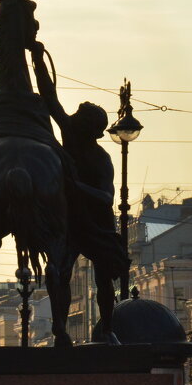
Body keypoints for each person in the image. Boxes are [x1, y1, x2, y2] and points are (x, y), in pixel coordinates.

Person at [28, 42, 130, 282]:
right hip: (72, 216)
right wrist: (38, 61)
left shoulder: (101, 159)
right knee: (61, 270)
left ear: (91, 130)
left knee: (104, 280)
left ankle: (107, 318)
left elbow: (106, 197)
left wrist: (75, 185)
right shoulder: (72, 134)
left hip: (97, 221)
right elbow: (50, 99)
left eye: (79, 117)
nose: (71, 118)